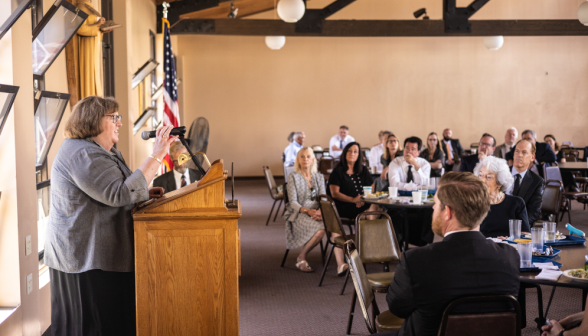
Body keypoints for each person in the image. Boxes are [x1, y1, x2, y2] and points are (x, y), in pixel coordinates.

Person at [45, 96, 177, 335]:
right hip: (85, 260)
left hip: (100, 256)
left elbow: (118, 189)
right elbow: (119, 194)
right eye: (114, 118)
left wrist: (144, 193)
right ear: (94, 120)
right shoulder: (82, 154)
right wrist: (158, 153)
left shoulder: (103, 152)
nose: (120, 123)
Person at [384, 172, 520, 336]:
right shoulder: (510, 257)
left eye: (435, 203)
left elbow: (397, 308)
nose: (433, 208)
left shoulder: (416, 261)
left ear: (447, 212)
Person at [283, 147, 328, 273]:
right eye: (302, 156)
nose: (305, 159)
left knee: (328, 225)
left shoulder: (319, 177)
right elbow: (292, 202)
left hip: (316, 212)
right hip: (299, 213)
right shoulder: (293, 176)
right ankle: (302, 256)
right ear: (298, 159)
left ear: (313, 159)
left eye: (308, 156)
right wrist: (307, 211)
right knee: (321, 230)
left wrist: (320, 211)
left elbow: (323, 198)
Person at [474, 156, 530, 238]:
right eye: (481, 175)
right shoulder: (474, 204)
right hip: (484, 248)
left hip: (510, 247)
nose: (483, 181)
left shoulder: (516, 203)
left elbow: (526, 234)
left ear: (499, 182)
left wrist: (510, 240)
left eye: (488, 177)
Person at [507, 139, 545, 225]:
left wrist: (515, 227)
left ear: (532, 157)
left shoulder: (537, 182)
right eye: (517, 151)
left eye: (524, 152)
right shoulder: (500, 174)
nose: (519, 155)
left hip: (519, 228)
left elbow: (534, 213)